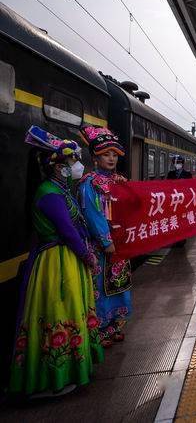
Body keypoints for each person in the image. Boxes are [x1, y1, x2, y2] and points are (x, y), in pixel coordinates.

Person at [9, 126, 104, 397]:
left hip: (64, 261)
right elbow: (67, 230)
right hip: (56, 263)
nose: (77, 167)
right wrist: (88, 256)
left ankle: (69, 369)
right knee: (58, 311)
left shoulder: (58, 189)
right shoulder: (50, 194)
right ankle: (54, 376)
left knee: (69, 310)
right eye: (73, 162)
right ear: (58, 167)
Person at [79, 126, 131, 348]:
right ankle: (101, 328)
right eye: (105, 154)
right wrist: (106, 241)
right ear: (94, 157)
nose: (111, 158)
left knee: (119, 283)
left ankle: (116, 325)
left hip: (122, 242)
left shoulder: (119, 181)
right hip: (101, 246)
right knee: (100, 286)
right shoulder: (89, 183)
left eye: (114, 155)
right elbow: (92, 213)